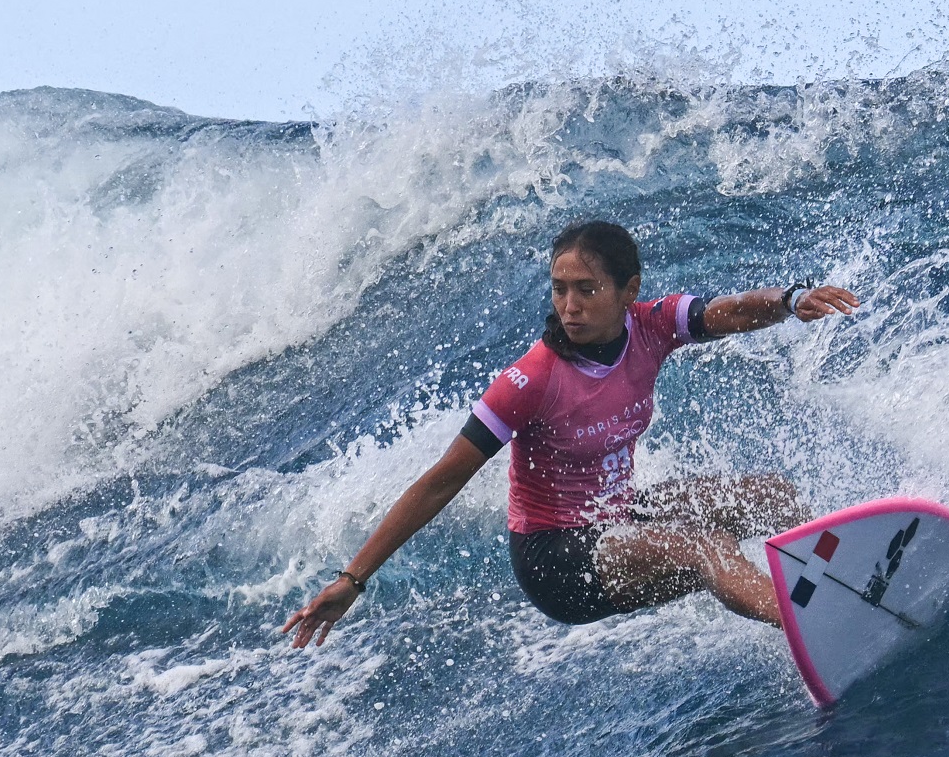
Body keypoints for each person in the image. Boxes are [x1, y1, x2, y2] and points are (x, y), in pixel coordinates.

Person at [283, 220, 858, 648]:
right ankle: (818, 624)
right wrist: (353, 580)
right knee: (700, 545)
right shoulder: (530, 381)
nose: (569, 306)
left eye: (586, 289)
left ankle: (851, 574)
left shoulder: (651, 326)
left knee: (769, 496)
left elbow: (725, 311)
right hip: (557, 562)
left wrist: (790, 301)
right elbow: (440, 482)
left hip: (619, 514)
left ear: (628, 291)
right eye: (559, 288)